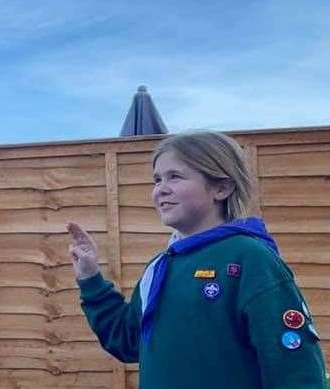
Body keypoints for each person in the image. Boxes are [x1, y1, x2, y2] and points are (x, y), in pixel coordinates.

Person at [67, 131, 326, 388]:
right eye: (156, 180)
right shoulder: (160, 266)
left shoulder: (250, 259)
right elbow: (127, 340)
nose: (161, 189)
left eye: (175, 177)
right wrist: (91, 279)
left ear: (221, 188)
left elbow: (296, 369)